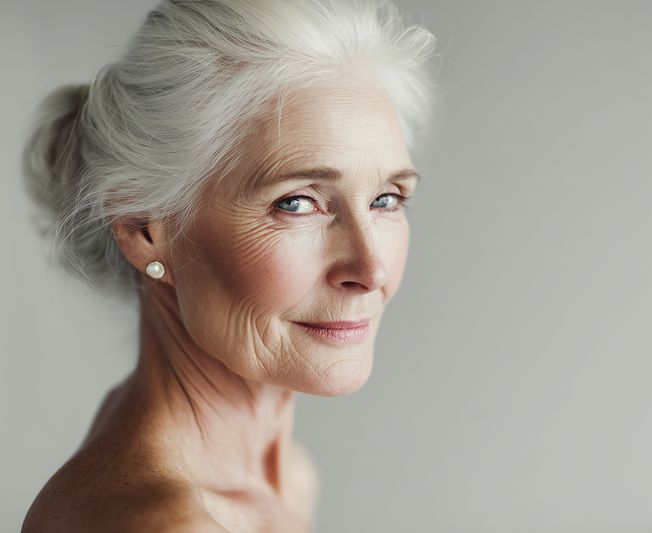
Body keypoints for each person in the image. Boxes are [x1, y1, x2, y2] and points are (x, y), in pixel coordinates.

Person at [20, 0, 438, 531]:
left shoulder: (288, 477)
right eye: (297, 202)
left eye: (386, 199)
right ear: (145, 233)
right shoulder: (160, 523)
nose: (371, 269)